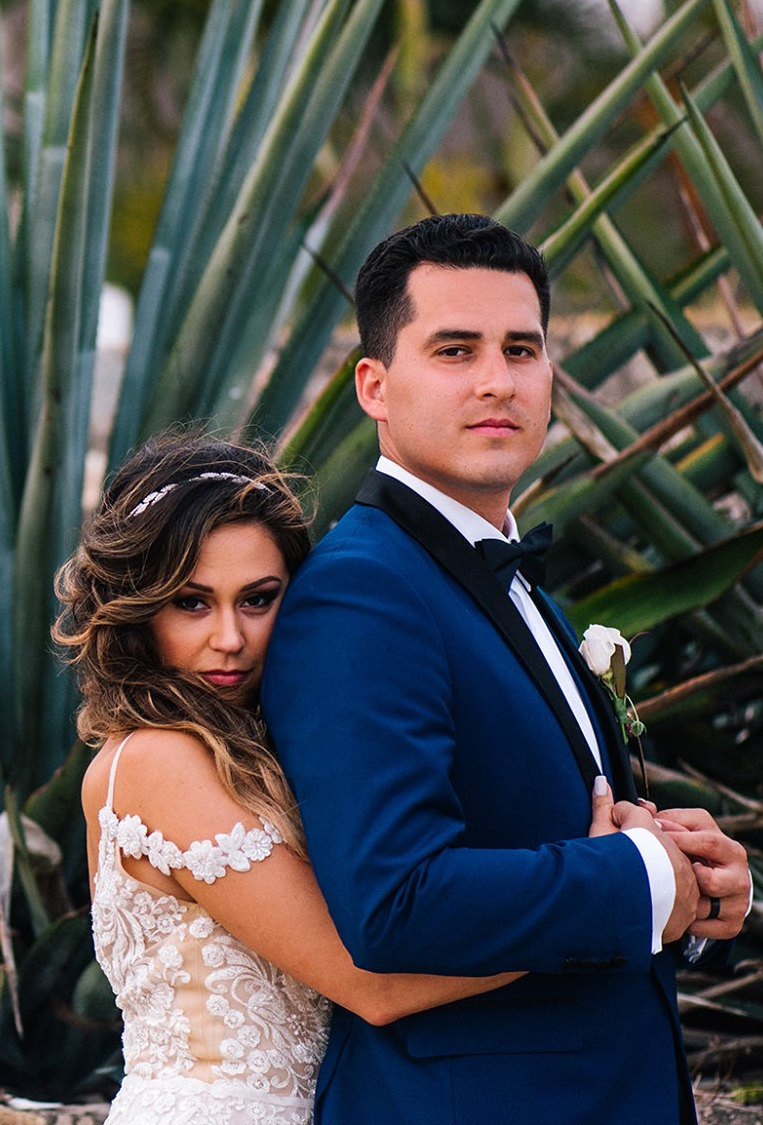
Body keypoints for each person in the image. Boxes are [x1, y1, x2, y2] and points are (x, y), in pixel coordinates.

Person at [262, 214, 752, 1124]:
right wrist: (640, 881)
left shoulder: (509, 579)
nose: (497, 380)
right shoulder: (361, 595)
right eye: (454, 349)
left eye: (521, 349)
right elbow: (394, 902)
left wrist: (687, 884)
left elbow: (552, 835)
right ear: (374, 383)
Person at [58, 433, 631, 1125]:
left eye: (258, 598)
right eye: (192, 602)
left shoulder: (262, 749)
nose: (231, 637)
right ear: (139, 608)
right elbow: (372, 981)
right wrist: (610, 893)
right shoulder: (157, 761)